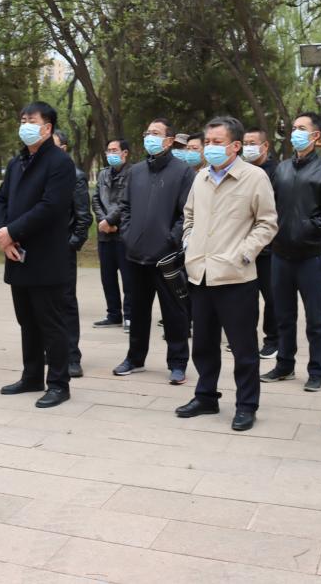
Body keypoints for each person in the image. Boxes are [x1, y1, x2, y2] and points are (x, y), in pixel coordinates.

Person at [176, 116, 277, 431]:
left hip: (236, 277)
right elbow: (189, 215)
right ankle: (206, 396)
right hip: (201, 274)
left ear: (235, 146)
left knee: (243, 347)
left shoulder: (254, 177)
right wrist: (189, 241)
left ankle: (246, 405)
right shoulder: (201, 177)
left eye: (217, 142)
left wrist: (245, 253)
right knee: (203, 344)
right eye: (207, 142)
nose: (210, 148)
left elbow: (267, 222)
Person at [0, 101, 76, 407]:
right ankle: (31, 376)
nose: (25, 125)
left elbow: (51, 207)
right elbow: (1, 200)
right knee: (27, 320)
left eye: (31, 121)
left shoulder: (59, 163)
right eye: (22, 120)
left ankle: (59, 383)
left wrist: (13, 232)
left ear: (47, 127)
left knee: (51, 323)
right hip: (17, 254)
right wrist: (4, 235)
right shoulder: (17, 162)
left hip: (46, 256)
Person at [260, 112, 321, 392]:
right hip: (280, 255)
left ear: (316, 136)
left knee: (315, 320)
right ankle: (284, 364)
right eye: (293, 128)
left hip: (310, 257)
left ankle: (316, 370)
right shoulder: (281, 169)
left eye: (302, 128)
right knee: (284, 316)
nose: (295, 133)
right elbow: (270, 207)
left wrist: (307, 229)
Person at [112, 118, 194, 385]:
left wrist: (170, 240)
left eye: (156, 133)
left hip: (166, 258)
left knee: (174, 313)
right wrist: (128, 235)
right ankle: (135, 358)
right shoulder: (135, 171)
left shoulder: (183, 172)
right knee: (137, 310)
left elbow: (186, 214)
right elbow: (125, 208)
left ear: (169, 140)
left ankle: (178, 363)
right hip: (135, 255)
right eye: (147, 132)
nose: (149, 136)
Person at [53, 129, 93, 378]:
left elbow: (83, 218)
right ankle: (52, 351)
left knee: (66, 302)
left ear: (64, 148)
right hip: (41, 249)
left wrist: (71, 245)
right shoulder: (43, 174)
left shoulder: (75, 176)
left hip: (62, 250)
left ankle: (71, 356)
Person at [241, 127, 279, 359]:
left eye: (252, 143)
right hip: (243, 246)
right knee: (246, 298)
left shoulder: (276, 173)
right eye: (245, 143)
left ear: (265, 146)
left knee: (271, 297)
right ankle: (245, 338)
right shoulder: (242, 171)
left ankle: (272, 340)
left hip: (268, 248)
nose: (248, 148)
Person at [92, 138, 133, 333]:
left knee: (129, 279)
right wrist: (103, 222)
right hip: (105, 235)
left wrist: (110, 221)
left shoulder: (134, 174)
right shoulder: (103, 174)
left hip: (124, 234)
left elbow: (126, 202)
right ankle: (113, 314)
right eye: (108, 150)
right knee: (107, 277)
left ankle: (130, 316)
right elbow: (95, 200)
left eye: (114, 150)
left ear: (125, 153)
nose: (110, 154)